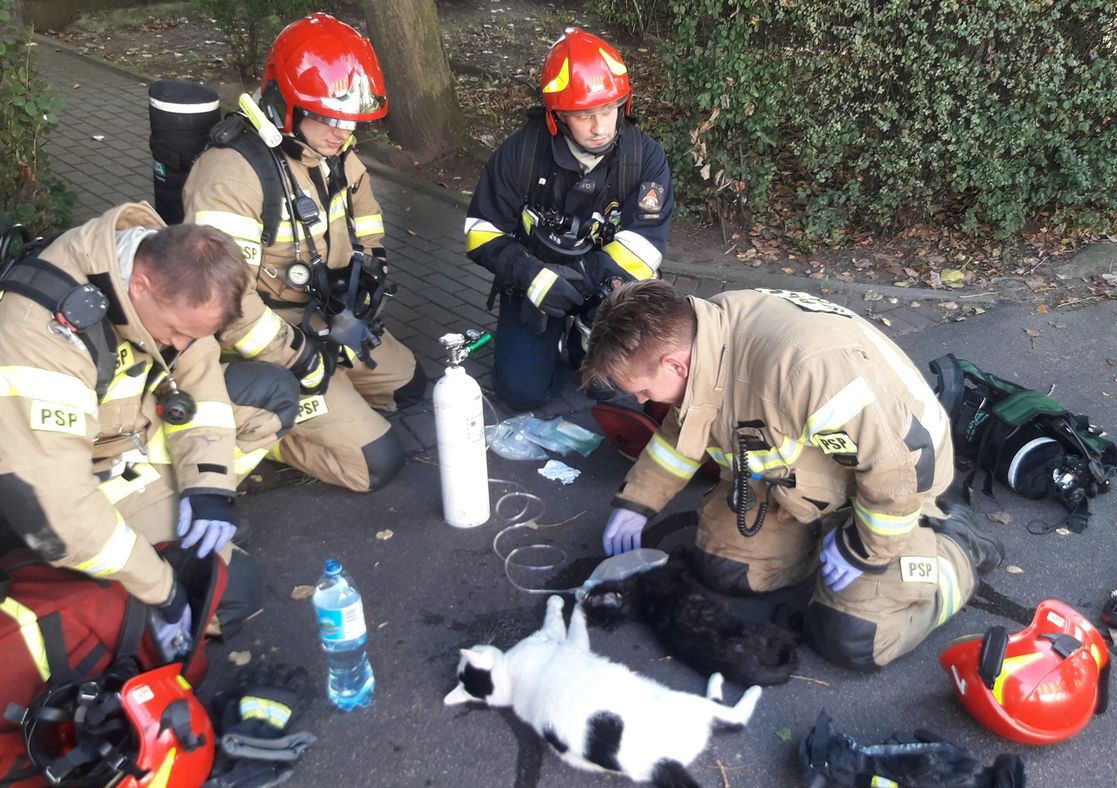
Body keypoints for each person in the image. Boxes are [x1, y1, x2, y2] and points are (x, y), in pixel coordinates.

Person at [581, 280, 1005, 671]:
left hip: (899, 483)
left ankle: (956, 551)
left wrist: (863, 549)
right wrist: (637, 502)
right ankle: (820, 531)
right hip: (809, 474)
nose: (640, 400)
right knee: (724, 569)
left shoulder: (806, 365)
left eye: (640, 390)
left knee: (851, 638)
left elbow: (893, 469)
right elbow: (687, 427)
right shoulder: (704, 336)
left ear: (675, 366)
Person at [0, 202, 300, 646]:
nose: (180, 344)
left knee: (273, 394)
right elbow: (58, 507)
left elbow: (200, 378)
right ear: (140, 285)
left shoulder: (163, 278)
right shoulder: (39, 334)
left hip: (130, 435)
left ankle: (178, 517)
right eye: (177, 331)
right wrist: (163, 590)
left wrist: (210, 487)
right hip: (81, 473)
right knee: (229, 594)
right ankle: (109, 580)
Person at [184, 13, 426, 492]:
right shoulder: (230, 177)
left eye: (351, 121)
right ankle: (268, 422)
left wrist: (370, 270)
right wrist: (301, 359)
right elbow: (225, 309)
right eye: (331, 119)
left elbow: (367, 215)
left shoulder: (332, 151)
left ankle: (337, 396)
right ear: (287, 105)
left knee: (412, 388)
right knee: (376, 464)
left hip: (326, 318)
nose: (343, 133)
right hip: (264, 345)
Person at [465, 27, 674, 410]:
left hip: (606, 286)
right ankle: (555, 340)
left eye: (608, 110)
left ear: (623, 105)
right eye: (583, 115)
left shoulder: (643, 158)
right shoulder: (521, 153)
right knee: (522, 393)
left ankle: (585, 336)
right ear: (556, 116)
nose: (600, 127)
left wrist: (583, 282)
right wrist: (531, 276)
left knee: (607, 383)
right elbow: (482, 232)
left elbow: (644, 246)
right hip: (534, 284)